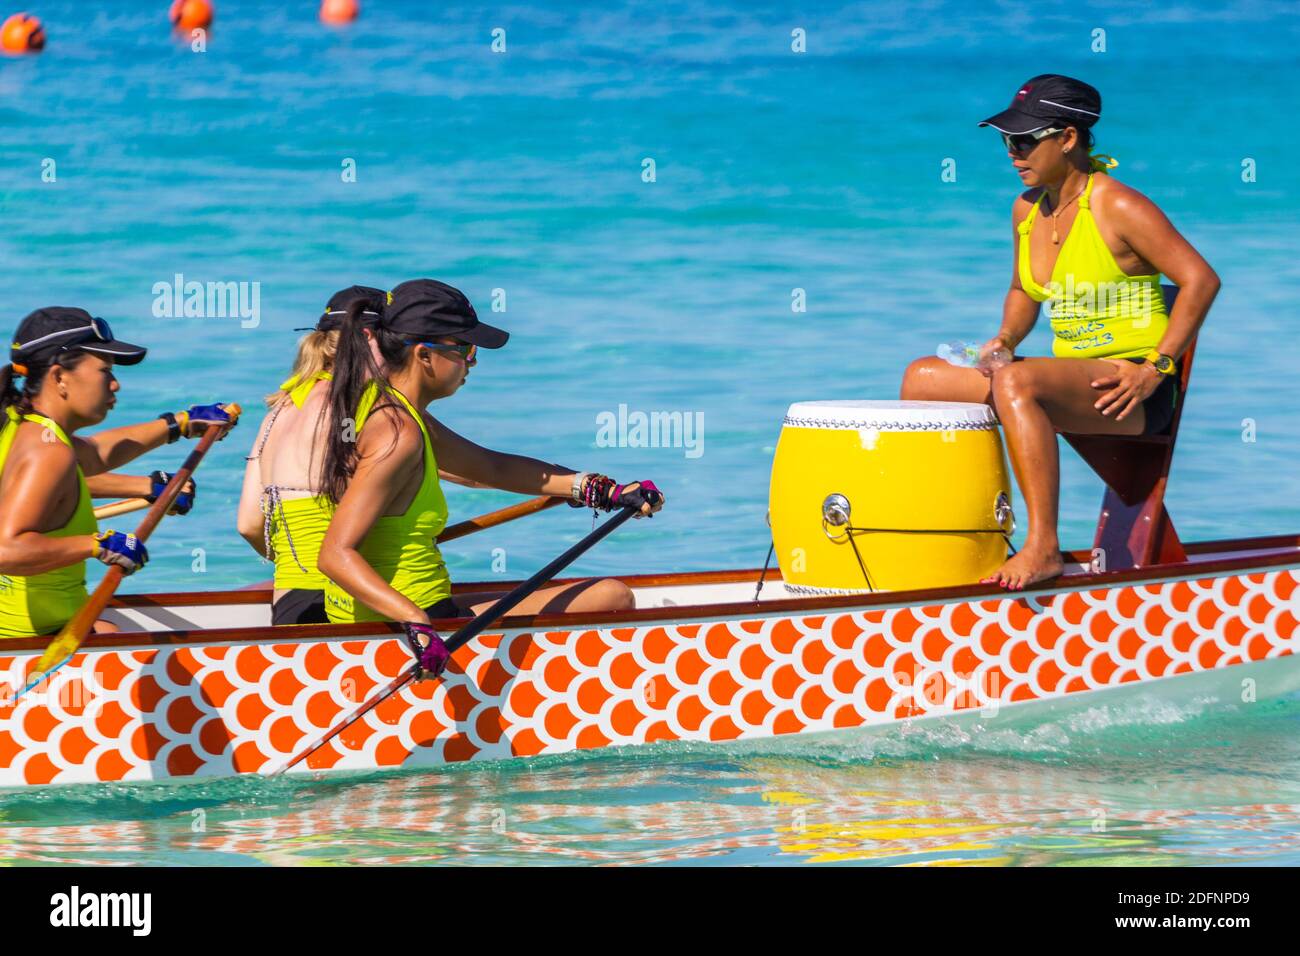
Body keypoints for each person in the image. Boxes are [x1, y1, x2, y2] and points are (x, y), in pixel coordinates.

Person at [900, 74, 1220, 590]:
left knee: (1017, 385)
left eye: (1026, 139)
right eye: (1008, 140)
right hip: (1073, 379)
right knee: (923, 379)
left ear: (1067, 138)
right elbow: (1023, 290)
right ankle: (950, 538)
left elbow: (1201, 280)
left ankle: (1043, 546)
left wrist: (1156, 369)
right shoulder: (1027, 208)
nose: (1013, 152)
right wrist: (1004, 340)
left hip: (1129, 390)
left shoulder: (1117, 205)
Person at [317, 279, 664, 673]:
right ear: (424, 355)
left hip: (399, 612)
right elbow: (335, 554)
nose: (473, 362)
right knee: (610, 595)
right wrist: (417, 623)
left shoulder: (386, 410)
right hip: (413, 620)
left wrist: (599, 489)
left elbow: (491, 467)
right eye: (465, 349)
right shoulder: (398, 433)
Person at [0, 307, 235, 638]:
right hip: (30, 646)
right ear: (58, 377)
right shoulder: (49, 451)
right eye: (104, 371)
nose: (116, 384)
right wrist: (96, 544)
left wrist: (178, 424)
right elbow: (6, 550)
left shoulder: (21, 425)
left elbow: (96, 453)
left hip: (42, 627)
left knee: (109, 629)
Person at [236, 285, 386, 625]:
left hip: (290, 602)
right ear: (370, 338)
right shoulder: (364, 402)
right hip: (346, 601)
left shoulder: (278, 412)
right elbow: (465, 471)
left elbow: (247, 524)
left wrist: (298, 562)